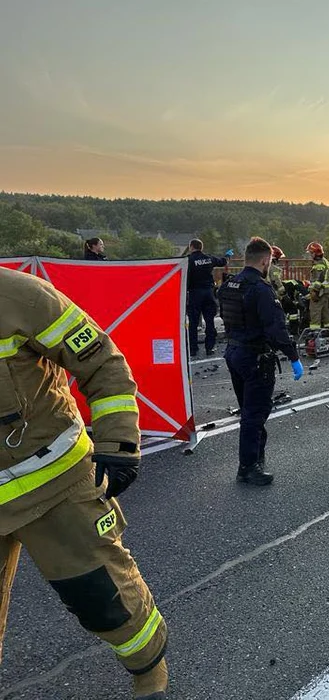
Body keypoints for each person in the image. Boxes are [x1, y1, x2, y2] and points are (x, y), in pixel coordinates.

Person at [0, 267, 168, 698]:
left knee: (104, 599)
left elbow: (101, 362)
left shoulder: (22, 296)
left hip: (53, 485)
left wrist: (117, 441)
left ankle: (151, 678)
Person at [218, 237, 303, 486]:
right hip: (255, 357)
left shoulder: (230, 285)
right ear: (265, 260)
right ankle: (248, 468)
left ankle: (256, 457)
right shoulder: (261, 289)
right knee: (254, 414)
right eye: (271, 261)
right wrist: (293, 356)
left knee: (249, 409)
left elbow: (227, 316)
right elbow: (275, 329)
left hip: (234, 353)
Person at [186, 238, 231, 359]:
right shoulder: (209, 258)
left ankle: (193, 349)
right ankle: (209, 347)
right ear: (201, 247)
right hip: (208, 293)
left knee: (193, 322)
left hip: (194, 293)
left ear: (191, 247)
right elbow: (223, 262)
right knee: (210, 321)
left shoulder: (189, 260)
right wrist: (227, 255)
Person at [305, 242, 329, 332]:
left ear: (315, 253)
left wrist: (315, 291)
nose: (310, 255)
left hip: (319, 293)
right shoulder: (325, 261)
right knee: (326, 313)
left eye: (311, 253)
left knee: (315, 313)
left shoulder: (319, 264)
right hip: (325, 292)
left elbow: (318, 279)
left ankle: (314, 334)